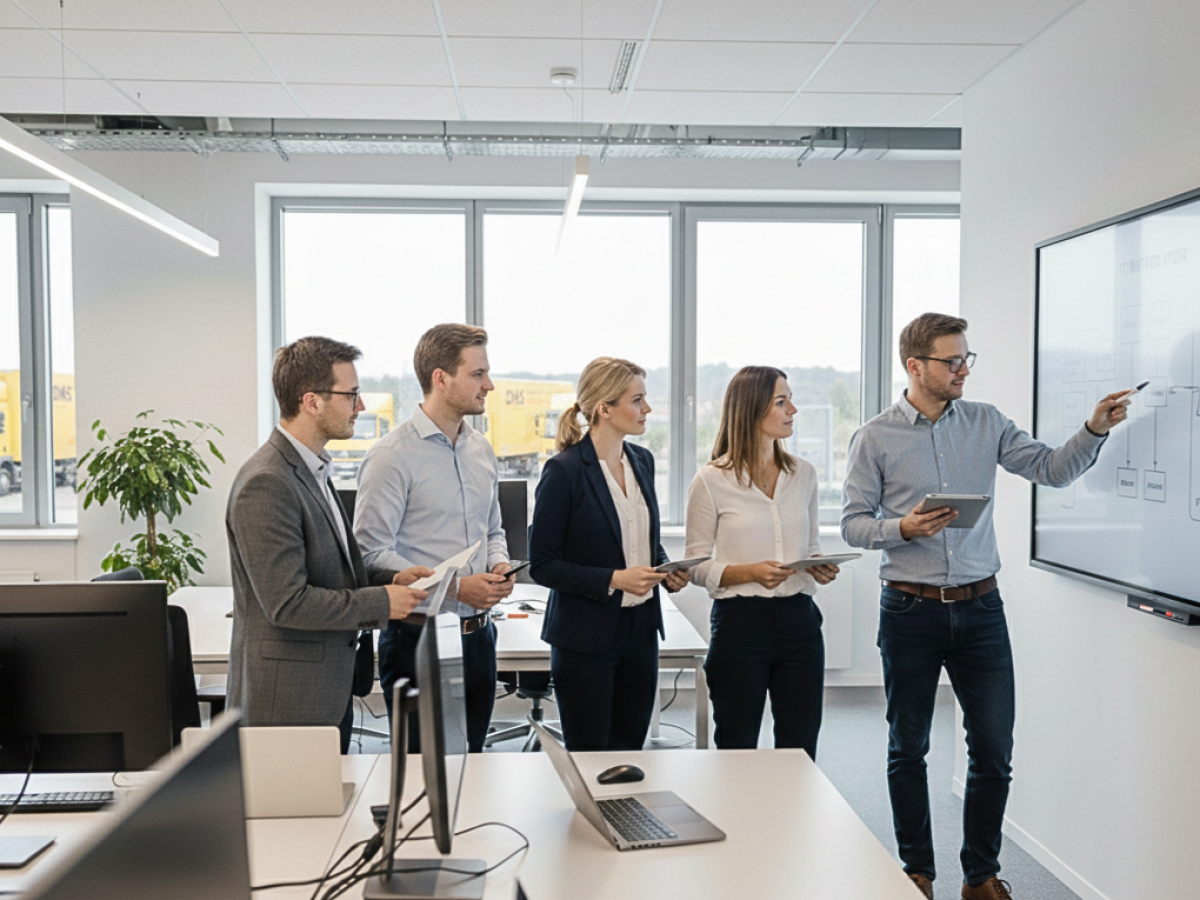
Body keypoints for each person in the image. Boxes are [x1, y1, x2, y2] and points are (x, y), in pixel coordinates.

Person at [841, 313, 1131, 900]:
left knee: (994, 750)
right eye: (952, 361)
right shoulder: (874, 436)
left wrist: (1093, 429)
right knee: (908, 748)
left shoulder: (986, 422)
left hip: (981, 611)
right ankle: (917, 872)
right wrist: (904, 527)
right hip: (909, 610)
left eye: (967, 359)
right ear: (915, 366)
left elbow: (1051, 469)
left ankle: (981, 876)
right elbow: (853, 524)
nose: (963, 370)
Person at [226, 336, 428, 753]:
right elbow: (287, 602)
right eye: (351, 395)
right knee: (292, 817)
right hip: (288, 701)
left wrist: (392, 577)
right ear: (311, 401)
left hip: (322, 687)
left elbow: (328, 566)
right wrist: (380, 602)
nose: (361, 407)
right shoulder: (267, 482)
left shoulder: (311, 467)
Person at [354, 323, 513, 753]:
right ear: (441, 379)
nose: (489, 385)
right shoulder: (391, 456)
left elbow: (492, 530)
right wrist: (457, 588)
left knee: (474, 767)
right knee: (420, 778)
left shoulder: (481, 449)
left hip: (479, 637)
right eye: (478, 374)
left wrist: (499, 564)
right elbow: (369, 554)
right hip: (416, 639)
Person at [529, 357, 686, 752]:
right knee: (590, 754)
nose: (647, 409)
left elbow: (641, 539)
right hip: (585, 636)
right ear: (604, 408)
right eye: (637, 400)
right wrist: (614, 579)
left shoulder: (642, 462)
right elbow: (543, 563)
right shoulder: (564, 471)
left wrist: (665, 569)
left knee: (631, 751)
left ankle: (625, 817)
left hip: (641, 630)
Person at [684, 366, 840, 758]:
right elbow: (694, 566)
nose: (794, 410)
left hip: (800, 622)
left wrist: (818, 564)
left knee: (800, 748)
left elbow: (813, 544)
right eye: (782, 401)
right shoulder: (710, 480)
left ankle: (794, 821)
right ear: (752, 409)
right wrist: (747, 572)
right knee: (736, 746)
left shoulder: (803, 474)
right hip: (740, 626)